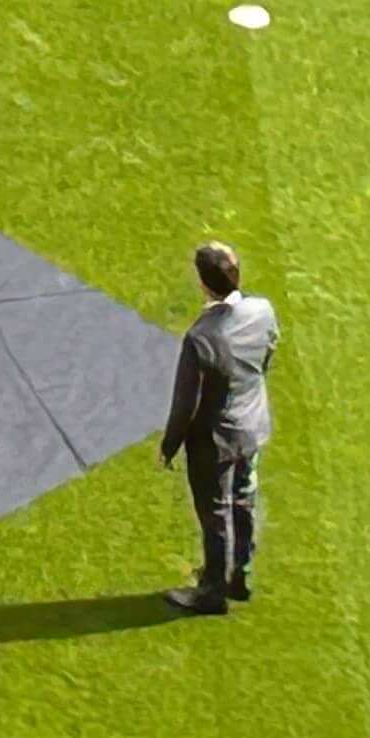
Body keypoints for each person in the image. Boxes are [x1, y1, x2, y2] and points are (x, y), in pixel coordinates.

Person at [157, 240, 279, 615]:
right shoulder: (262, 310)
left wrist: (170, 444)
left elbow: (186, 402)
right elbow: (268, 353)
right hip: (252, 426)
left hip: (214, 440)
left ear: (203, 283)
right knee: (244, 500)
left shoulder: (202, 337)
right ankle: (239, 575)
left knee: (215, 513)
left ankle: (211, 591)